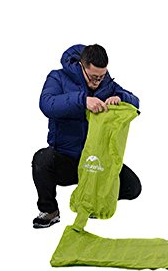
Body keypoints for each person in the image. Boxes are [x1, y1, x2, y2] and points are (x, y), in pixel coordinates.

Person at [32, 44, 141, 228]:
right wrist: (82, 100)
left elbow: (135, 101)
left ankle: (93, 199)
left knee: (133, 188)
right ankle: (50, 211)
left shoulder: (107, 84)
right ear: (81, 65)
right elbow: (47, 104)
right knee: (41, 160)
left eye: (101, 76)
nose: (97, 82)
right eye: (93, 77)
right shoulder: (58, 77)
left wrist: (120, 98)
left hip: (96, 161)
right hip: (68, 159)